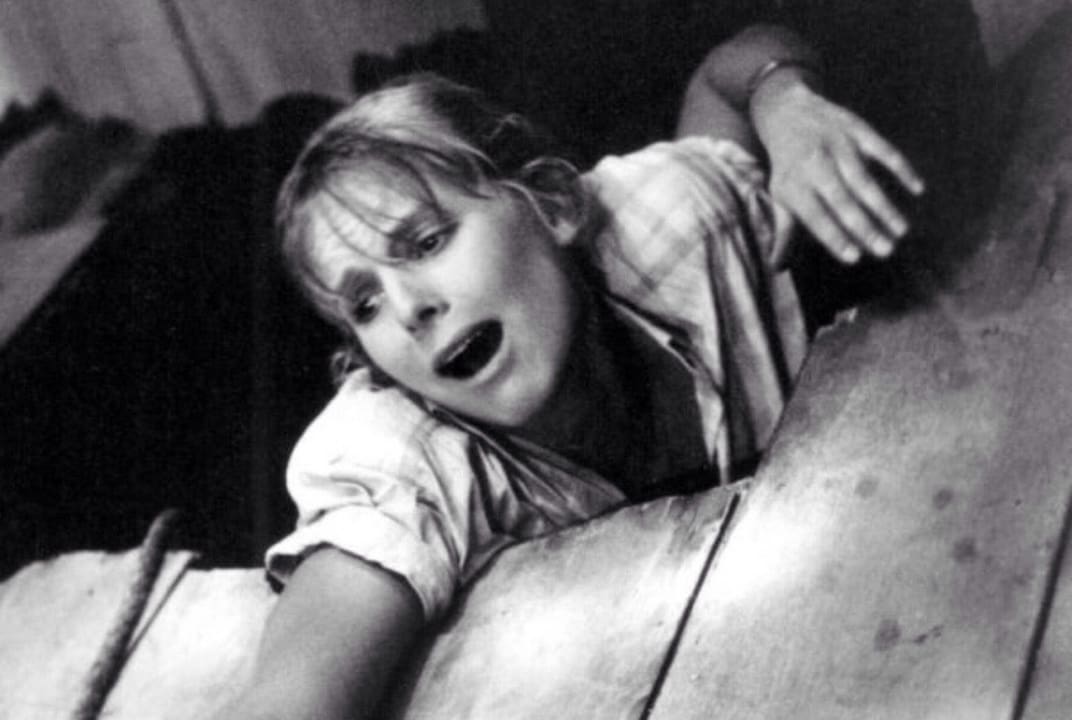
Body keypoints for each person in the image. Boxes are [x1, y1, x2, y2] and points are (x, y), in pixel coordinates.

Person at [225, 23, 924, 720]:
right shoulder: (397, 450)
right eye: (365, 303)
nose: (409, 310)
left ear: (555, 204)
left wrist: (781, 98)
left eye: (428, 241)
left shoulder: (666, 218)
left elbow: (731, 73)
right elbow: (294, 695)